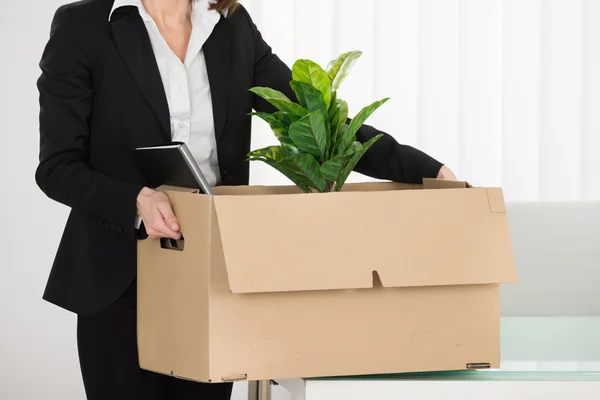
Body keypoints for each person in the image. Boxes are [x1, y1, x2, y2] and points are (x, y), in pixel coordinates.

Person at [35, 0, 457, 398]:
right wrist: (137, 200)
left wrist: (424, 170)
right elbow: (57, 167)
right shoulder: (85, 25)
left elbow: (315, 120)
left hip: (213, 277)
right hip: (118, 279)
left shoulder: (231, 26)